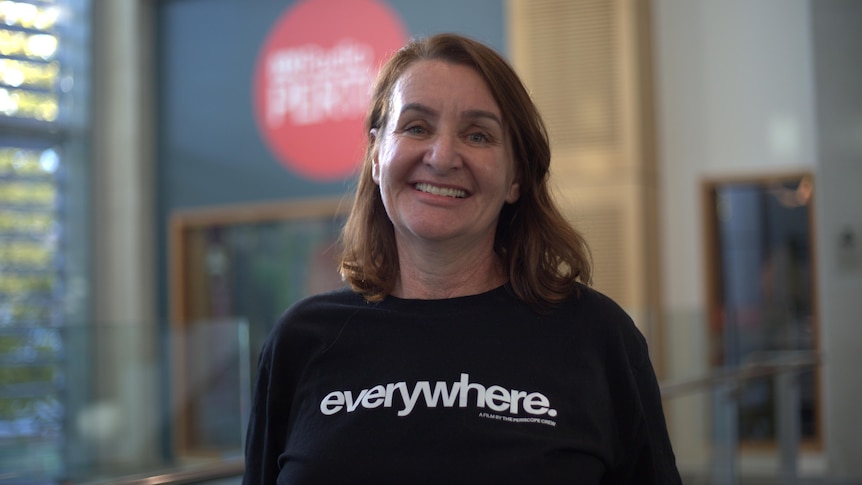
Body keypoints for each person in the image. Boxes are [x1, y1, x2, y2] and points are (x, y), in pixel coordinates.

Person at [242, 32, 681, 484]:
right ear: (376, 155)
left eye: (478, 134)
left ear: (516, 178)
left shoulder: (598, 337)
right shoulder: (300, 340)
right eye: (416, 127)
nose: (443, 156)